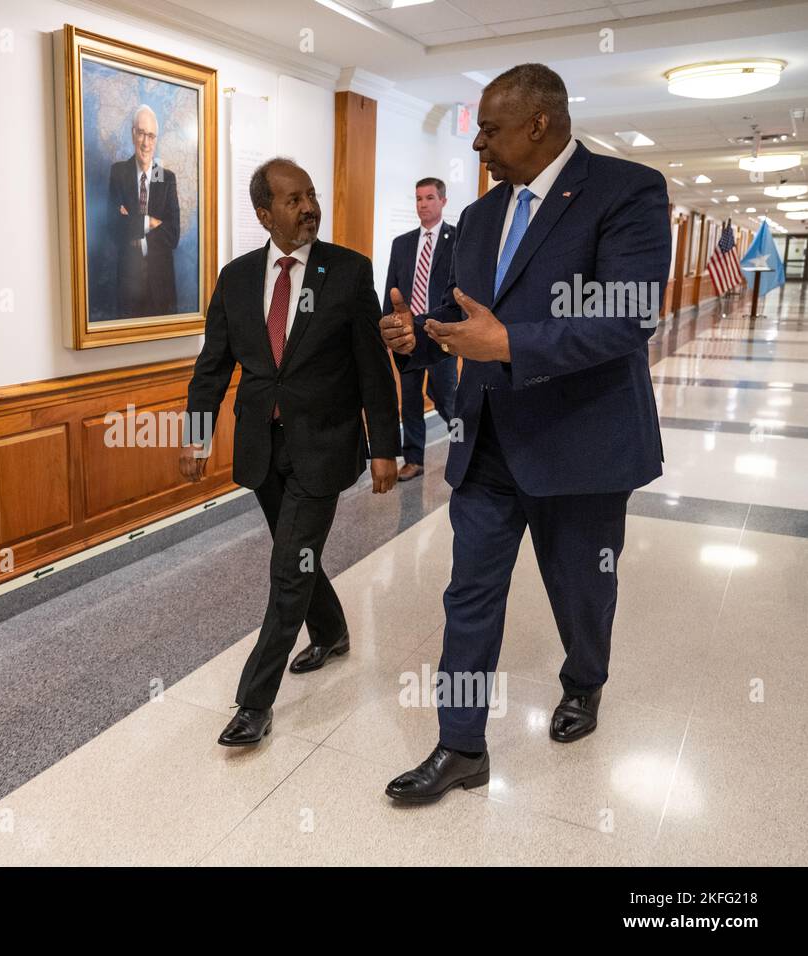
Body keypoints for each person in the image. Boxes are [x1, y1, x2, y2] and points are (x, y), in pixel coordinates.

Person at [379, 63, 669, 803]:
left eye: (491, 128)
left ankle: (584, 682)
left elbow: (627, 317)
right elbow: (459, 311)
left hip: (582, 443)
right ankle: (461, 745)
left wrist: (509, 344)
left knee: (581, 590)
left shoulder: (627, 192)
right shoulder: (477, 218)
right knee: (469, 593)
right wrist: (417, 334)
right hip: (489, 444)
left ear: (540, 123)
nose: (478, 143)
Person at [180, 157, 400, 747]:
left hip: (324, 446)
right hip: (262, 447)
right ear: (264, 213)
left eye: (311, 196)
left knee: (286, 568)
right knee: (295, 555)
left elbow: (371, 366)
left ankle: (254, 702)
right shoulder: (236, 278)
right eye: (293, 200)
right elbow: (213, 366)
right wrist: (196, 432)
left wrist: (385, 446)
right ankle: (330, 631)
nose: (308, 208)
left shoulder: (348, 272)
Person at [382, 177, 458, 481]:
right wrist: (388, 330)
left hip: (441, 333)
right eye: (418, 199)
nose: (423, 204)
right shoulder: (402, 244)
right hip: (408, 336)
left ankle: (466, 446)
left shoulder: (457, 239)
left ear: (442, 201)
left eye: (429, 198)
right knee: (410, 400)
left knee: (445, 398)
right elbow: (392, 288)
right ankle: (414, 459)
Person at [107, 105, 179, 319]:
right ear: (132, 134)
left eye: (151, 135)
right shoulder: (118, 172)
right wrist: (150, 222)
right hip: (128, 284)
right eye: (141, 133)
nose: (146, 143)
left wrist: (133, 224)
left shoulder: (165, 177)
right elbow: (113, 228)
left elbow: (173, 235)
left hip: (161, 286)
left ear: (156, 139)